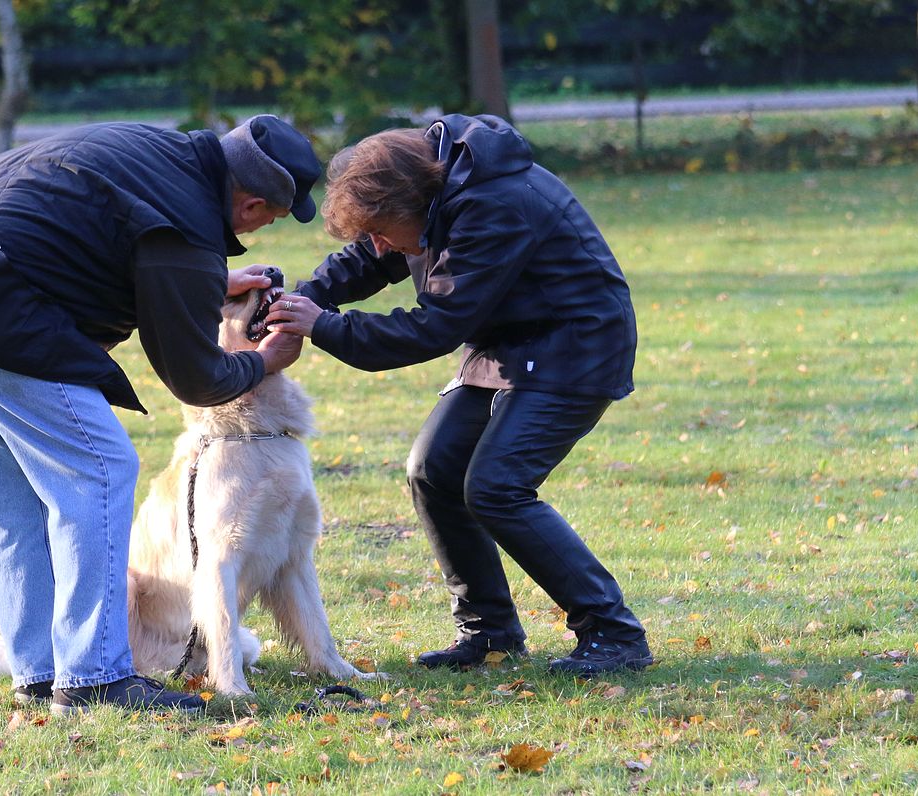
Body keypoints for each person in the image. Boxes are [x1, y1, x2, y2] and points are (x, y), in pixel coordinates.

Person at [0, 114, 321, 713]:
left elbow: (92, 237)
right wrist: (263, 361)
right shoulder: (187, 225)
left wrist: (202, 281)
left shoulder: (157, 152)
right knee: (100, 468)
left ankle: (40, 671)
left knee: (13, 502)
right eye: (269, 219)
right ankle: (95, 676)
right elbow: (197, 378)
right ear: (252, 205)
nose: (258, 229)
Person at [265, 114, 653, 676]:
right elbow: (372, 256)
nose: (379, 244)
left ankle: (614, 634)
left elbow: (436, 327)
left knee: (497, 487)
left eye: (382, 230)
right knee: (433, 470)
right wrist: (304, 298)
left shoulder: (494, 205)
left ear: (417, 204)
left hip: (578, 345)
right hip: (509, 341)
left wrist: (323, 325)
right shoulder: (425, 193)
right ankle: (488, 632)